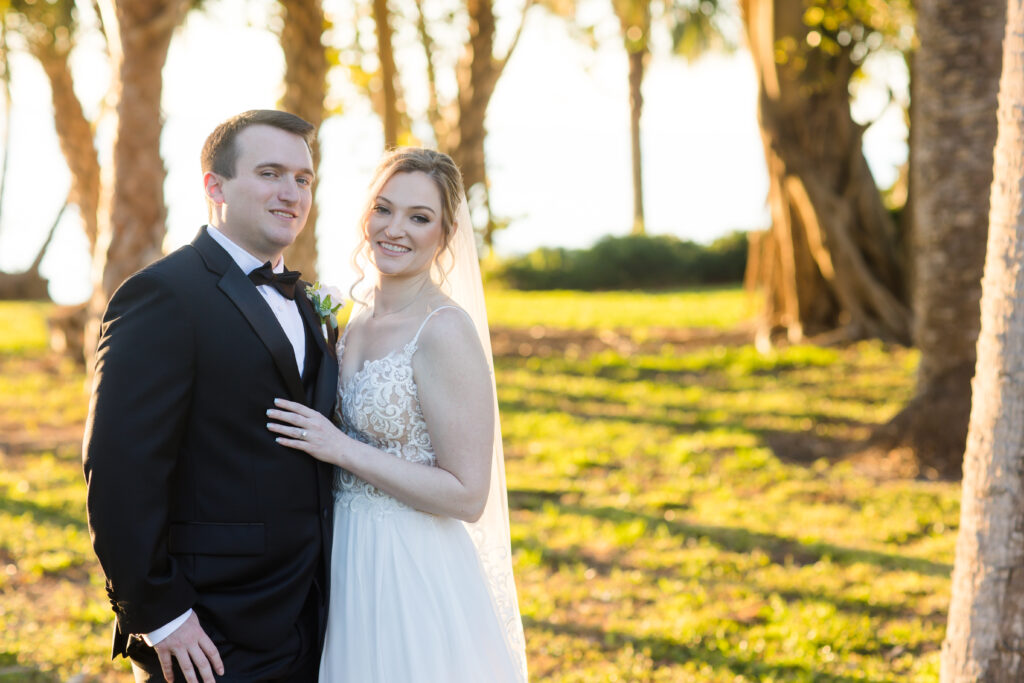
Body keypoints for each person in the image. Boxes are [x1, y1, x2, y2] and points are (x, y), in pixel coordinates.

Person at [83, 110, 338, 682]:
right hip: (210, 625)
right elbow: (120, 470)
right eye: (270, 173)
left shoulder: (305, 300)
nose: (291, 192)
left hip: (311, 613)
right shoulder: (162, 295)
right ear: (214, 186)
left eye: (303, 178)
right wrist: (160, 613)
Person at [266, 148, 529, 681]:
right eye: (383, 209)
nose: (395, 229)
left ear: (446, 232)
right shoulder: (354, 317)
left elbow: (467, 495)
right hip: (345, 560)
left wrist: (341, 448)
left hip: (410, 566)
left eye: (419, 217)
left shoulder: (444, 330)